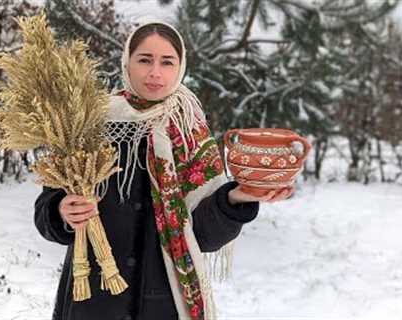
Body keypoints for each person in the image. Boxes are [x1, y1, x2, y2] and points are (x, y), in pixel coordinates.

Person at [34, 19, 294, 320]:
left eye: (167, 62)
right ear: (127, 62)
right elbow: (46, 211)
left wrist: (236, 198)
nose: (155, 72)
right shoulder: (89, 124)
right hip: (92, 300)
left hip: (165, 304)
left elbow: (203, 236)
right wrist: (61, 211)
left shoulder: (189, 132)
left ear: (180, 67)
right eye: (144, 60)